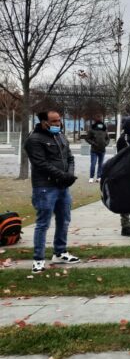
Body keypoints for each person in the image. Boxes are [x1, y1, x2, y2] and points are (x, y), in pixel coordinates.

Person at [24, 110, 80, 273]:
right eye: (54, 121)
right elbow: (40, 164)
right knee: (43, 223)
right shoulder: (34, 139)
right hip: (45, 187)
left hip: (62, 187)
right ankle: (38, 259)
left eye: (59, 120)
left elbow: (69, 157)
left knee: (64, 220)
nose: (58, 124)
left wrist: (69, 174)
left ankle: (60, 252)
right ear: (44, 122)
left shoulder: (60, 136)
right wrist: (63, 176)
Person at [86, 115, 110, 183]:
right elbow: (87, 138)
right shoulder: (92, 130)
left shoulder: (104, 130)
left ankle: (99, 177)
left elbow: (108, 138)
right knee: (93, 164)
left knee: (100, 164)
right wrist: (93, 143)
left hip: (102, 150)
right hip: (94, 150)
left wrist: (106, 143)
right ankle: (91, 177)